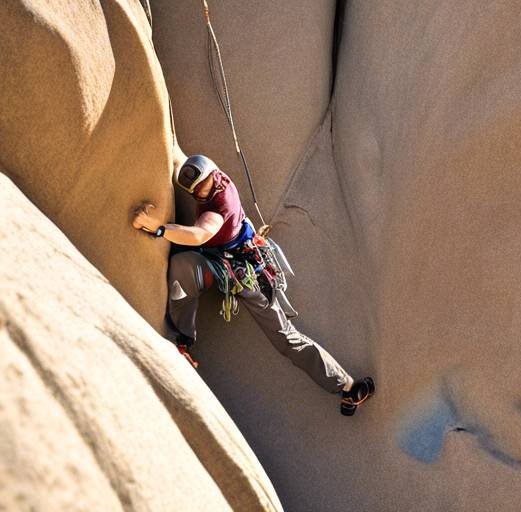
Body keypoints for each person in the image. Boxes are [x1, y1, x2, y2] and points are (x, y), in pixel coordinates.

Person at [132, 155, 374, 416]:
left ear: (211, 177)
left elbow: (201, 233)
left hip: (245, 274)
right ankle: (183, 340)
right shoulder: (218, 177)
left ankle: (347, 386)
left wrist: (158, 228)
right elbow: (186, 166)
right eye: (194, 191)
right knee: (185, 267)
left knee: (285, 337)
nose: (198, 194)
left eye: (201, 187)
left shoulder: (219, 206)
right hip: (225, 260)